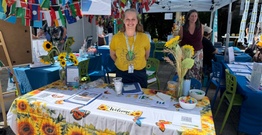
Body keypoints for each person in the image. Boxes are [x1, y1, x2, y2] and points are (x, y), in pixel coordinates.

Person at [110, 8, 150, 88]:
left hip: (139, 74)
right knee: (121, 98)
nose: (130, 22)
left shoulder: (144, 37)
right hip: (122, 74)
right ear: (123, 20)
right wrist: (122, 63)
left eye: (133, 19)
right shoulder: (116, 38)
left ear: (137, 21)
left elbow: (146, 56)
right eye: (127, 19)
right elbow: (113, 55)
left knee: (140, 98)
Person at [179, 9, 204, 81]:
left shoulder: (201, 27)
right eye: (192, 16)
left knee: (196, 72)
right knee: (186, 71)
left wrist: (199, 51)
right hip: (186, 53)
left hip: (198, 52)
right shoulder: (183, 28)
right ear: (188, 17)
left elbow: (201, 38)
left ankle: (195, 88)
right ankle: (185, 88)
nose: (194, 18)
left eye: (196, 16)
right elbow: (180, 39)